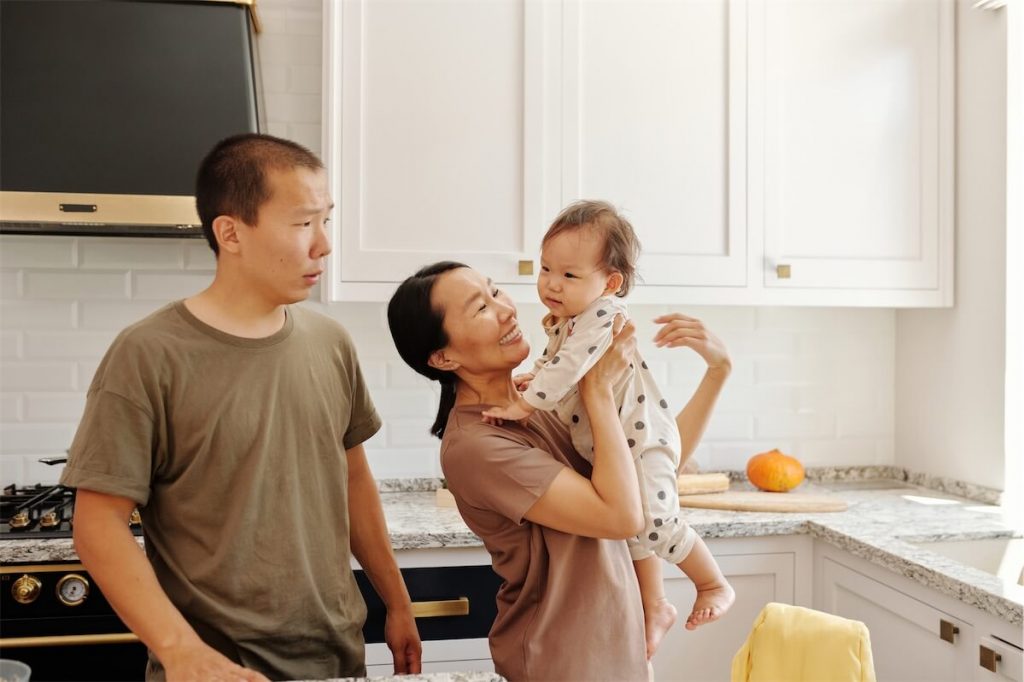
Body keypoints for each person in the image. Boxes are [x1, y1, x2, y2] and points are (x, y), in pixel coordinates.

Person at [62, 133, 422, 682]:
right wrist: (181, 650)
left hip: (337, 656)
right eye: (303, 224)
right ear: (230, 232)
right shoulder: (148, 355)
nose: (323, 245)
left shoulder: (330, 342)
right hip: (217, 669)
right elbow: (97, 524)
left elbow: (353, 481)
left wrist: (397, 602)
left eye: (326, 221)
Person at [387, 259, 733, 681]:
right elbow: (622, 517)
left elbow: (650, 470)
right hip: (562, 660)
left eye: (495, 291)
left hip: (616, 646)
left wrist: (717, 372)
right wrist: (598, 388)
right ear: (442, 357)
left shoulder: (537, 400)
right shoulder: (478, 447)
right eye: (480, 308)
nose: (506, 309)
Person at [480, 200, 735, 657]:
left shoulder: (603, 314)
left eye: (569, 275)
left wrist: (526, 402)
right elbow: (556, 361)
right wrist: (535, 377)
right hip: (618, 443)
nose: (551, 284)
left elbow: (571, 366)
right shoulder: (571, 319)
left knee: (655, 525)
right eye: (545, 269)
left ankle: (713, 583)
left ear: (610, 283)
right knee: (633, 528)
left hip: (645, 438)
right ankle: (654, 606)